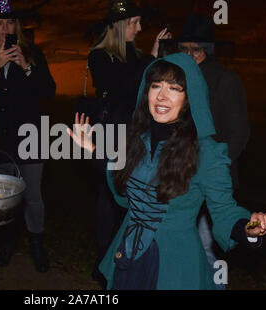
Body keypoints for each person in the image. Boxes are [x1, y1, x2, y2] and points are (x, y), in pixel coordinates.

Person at [68, 53, 266, 289]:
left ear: (189, 98)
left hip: (174, 267)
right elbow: (124, 194)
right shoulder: (136, 140)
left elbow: (225, 213)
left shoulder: (206, 153)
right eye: (156, 85)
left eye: (174, 88)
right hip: (129, 257)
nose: (161, 96)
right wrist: (93, 149)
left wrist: (252, 227)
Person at [0, 0, 56, 273]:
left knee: (33, 195)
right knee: (4, 196)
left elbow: (48, 92)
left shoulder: (32, 52)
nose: (5, 29)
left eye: (10, 23)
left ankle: (37, 245)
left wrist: (27, 66)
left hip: (30, 137)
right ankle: (7, 242)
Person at [85, 0, 170, 286]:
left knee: (133, 192)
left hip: (134, 133)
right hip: (110, 133)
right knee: (109, 195)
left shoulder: (136, 55)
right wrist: (150, 59)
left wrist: (154, 57)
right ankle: (104, 260)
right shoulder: (99, 56)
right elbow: (124, 88)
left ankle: (131, 254)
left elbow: (145, 86)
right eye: (134, 22)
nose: (140, 28)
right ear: (120, 26)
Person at [177, 14, 250, 288]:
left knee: (210, 250)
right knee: (179, 251)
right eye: (183, 49)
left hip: (212, 184)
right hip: (178, 180)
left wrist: (212, 169)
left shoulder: (226, 81)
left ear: (206, 50)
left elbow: (239, 134)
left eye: (195, 49)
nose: (189, 55)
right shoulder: (175, 77)